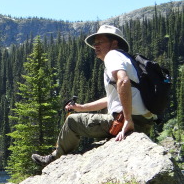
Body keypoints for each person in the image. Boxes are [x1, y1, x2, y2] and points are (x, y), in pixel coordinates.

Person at [32, 25, 155, 166]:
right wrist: (82, 107)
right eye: (94, 43)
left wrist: (127, 119)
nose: (95, 46)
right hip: (143, 122)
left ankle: (54, 159)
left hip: (127, 122)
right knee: (80, 117)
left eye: (100, 42)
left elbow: (123, 80)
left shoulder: (112, 55)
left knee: (72, 122)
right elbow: (114, 97)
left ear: (114, 43)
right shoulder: (127, 60)